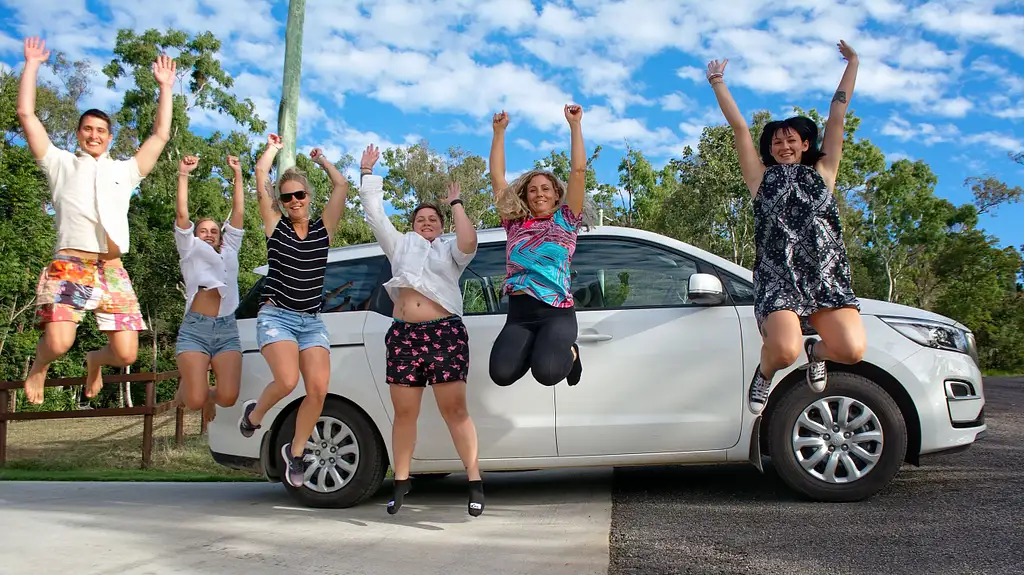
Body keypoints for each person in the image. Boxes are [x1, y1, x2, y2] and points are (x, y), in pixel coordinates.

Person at [706, 40, 867, 415]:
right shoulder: (760, 179)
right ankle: (764, 373)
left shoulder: (823, 173)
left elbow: (838, 113)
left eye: (790, 140)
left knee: (852, 350)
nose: (783, 146)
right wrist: (718, 82)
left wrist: (853, 63)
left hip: (825, 276)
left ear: (805, 143)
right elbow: (740, 127)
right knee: (782, 351)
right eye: (777, 142)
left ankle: (817, 352)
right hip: (779, 277)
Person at [17, 37, 175, 404]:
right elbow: (26, 115)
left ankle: (94, 363)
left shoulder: (124, 170)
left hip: (112, 268)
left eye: (100, 131)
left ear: (109, 138)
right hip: (71, 264)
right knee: (59, 341)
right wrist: (32, 65)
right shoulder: (59, 164)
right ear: (78, 133)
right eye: (87, 129)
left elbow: (160, 135)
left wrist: (165, 88)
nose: (93, 135)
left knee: (126, 355)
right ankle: (39, 366)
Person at [358, 144, 484, 517]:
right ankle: (401, 483)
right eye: (420, 219)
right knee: (404, 413)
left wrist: (456, 204)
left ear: (441, 225)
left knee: (455, 409)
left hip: (444, 333)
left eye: (433, 219)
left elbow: (470, 242)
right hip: (403, 337)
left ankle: (474, 480)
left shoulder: (450, 252)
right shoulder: (400, 247)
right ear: (413, 225)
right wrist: (367, 174)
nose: (427, 222)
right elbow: (375, 214)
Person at [237, 134, 348, 489]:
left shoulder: (322, 230)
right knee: (286, 381)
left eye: (299, 195)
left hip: (311, 322)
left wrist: (323, 161)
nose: (294, 201)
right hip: (277, 317)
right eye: (287, 197)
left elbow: (341, 185)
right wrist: (272, 149)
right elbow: (259, 174)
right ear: (281, 203)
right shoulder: (276, 228)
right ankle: (254, 415)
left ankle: (296, 453)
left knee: (317, 390)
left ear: (308, 198)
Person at [487, 105, 586, 388]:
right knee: (501, 375)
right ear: (526, 196)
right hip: (519, 314)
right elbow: (496, 178)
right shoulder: (515, 223)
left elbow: (578, 171)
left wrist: (575, 125)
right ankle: (542, 348)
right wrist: (499, 132)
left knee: (548, 374)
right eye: (533, 189)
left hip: (556, 312)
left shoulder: (566, 219)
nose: (539, 193)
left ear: (556, 194)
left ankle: (571, 352)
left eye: (545, 188)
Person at [173, 154, 245, 423]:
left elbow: (238, 212)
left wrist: (237, 174)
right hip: (196, 329)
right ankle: (195, 390)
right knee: (194, 401)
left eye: (214, 230)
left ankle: (206, 394)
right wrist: (184, 174)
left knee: (228, 397)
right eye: (203, 230)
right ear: (195, 234)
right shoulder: (189, 248)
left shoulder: (230, 249)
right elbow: (182, 214)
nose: (209, 233)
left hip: (227, 328)